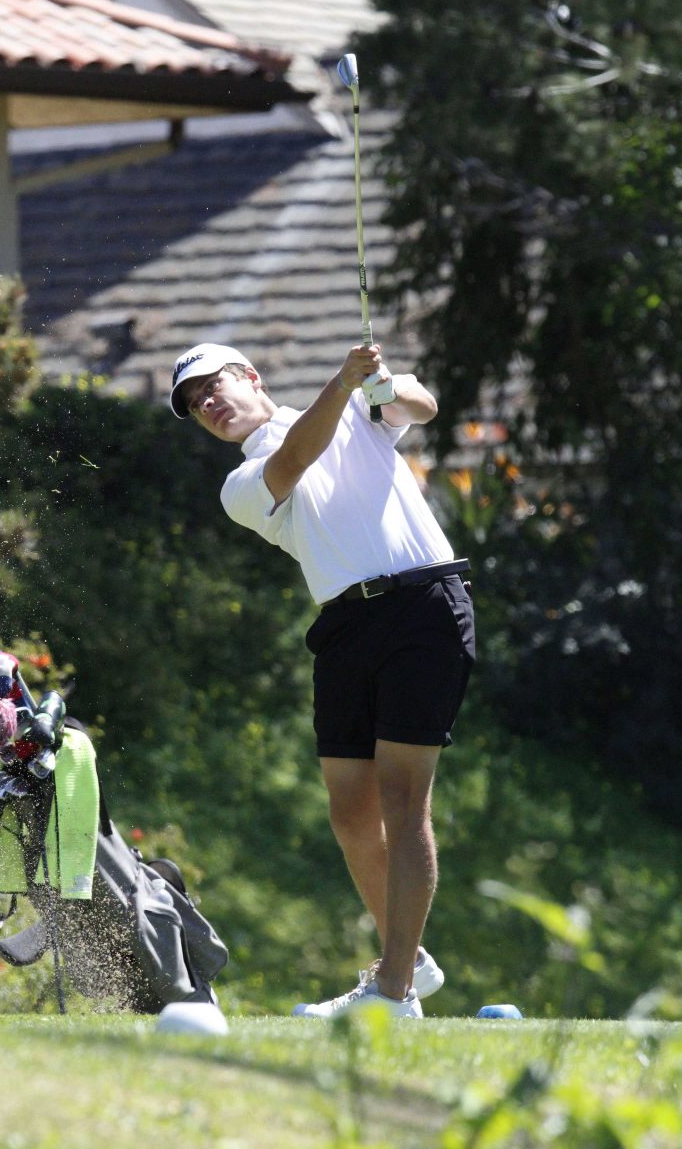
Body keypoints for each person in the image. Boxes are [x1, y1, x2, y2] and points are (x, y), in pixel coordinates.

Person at [169, 340, 475, 1018]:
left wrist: (382, 385)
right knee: (350, 812)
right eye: (196, 404)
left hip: (424, 605)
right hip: (343, 626)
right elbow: (295, 457)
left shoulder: (357, 409)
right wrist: (344, 385)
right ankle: (411, 963)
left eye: (214, 386)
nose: (209, 405)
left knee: (402, 799)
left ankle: (392, 993)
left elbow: (422, 407)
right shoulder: (242, 485)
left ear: (251, 375)